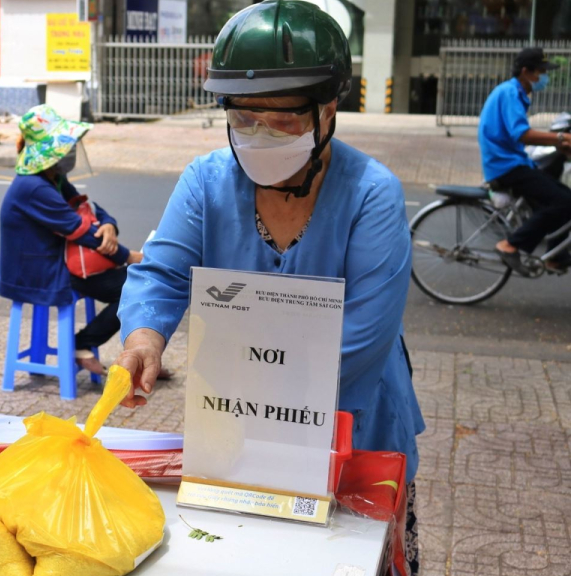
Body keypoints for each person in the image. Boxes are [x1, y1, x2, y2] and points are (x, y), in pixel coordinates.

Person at [113, 2, 425, 573]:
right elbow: (161, 274)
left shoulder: (371, 194)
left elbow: (363, 335)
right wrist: (144, 339)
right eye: (242, 118)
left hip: (351, 419)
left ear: (328, 110)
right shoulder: (205, 182)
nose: (258, 135)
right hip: (235, 418)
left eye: (282, 120)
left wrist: (252, 398)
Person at [0, 105, 142, 376]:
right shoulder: (34, 187)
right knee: (138, 286)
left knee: (137, 283)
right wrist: (129, 257)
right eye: (65, 146)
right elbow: (82, 232)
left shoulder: (54, 179)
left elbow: (88, 207)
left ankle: (129, 352)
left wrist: (108, 224)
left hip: (59, 261)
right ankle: (81, 344)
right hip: (40, 272)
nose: (71, 151)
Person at [478, 46, 571, 276]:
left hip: (513, 162)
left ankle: (556, 257)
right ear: (526, 72)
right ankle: (509, 245)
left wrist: (559, 144)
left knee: (559, 198)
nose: (544, 77)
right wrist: (560, 138)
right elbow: (522, 134)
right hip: (506, 166)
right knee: (564, 201)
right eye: (541, 71)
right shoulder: (510, 93)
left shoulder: (515, 93)